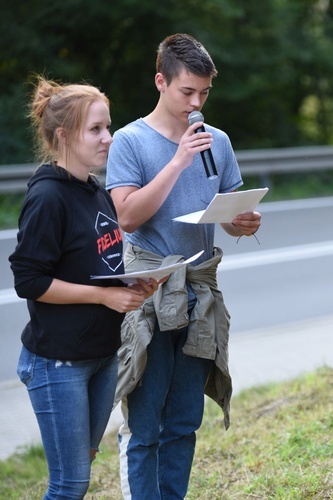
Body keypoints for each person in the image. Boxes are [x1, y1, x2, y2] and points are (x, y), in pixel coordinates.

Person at [106, 33, 261, 498]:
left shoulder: (219, 142)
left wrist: (244, 222)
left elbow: (228, 214)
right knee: (146, 420)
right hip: (150, 291)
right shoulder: (130, 141)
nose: (197, 104)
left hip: (200, 292)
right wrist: (176, 162)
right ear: (161, 81)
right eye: (187, 92)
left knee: (184, 421)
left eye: (205, 93)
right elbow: (127, 215)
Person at [8, 76, 159, 499]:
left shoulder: (95, 190)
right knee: (69, 484)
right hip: (58, 362)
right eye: (96, 129)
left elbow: (96, 263)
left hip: (100, 355)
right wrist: (106, 296)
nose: (108, 138)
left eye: (107, 127)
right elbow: (29, 280)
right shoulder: (47, 198)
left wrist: (132, 284)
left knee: (84, 465)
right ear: (63, 135)